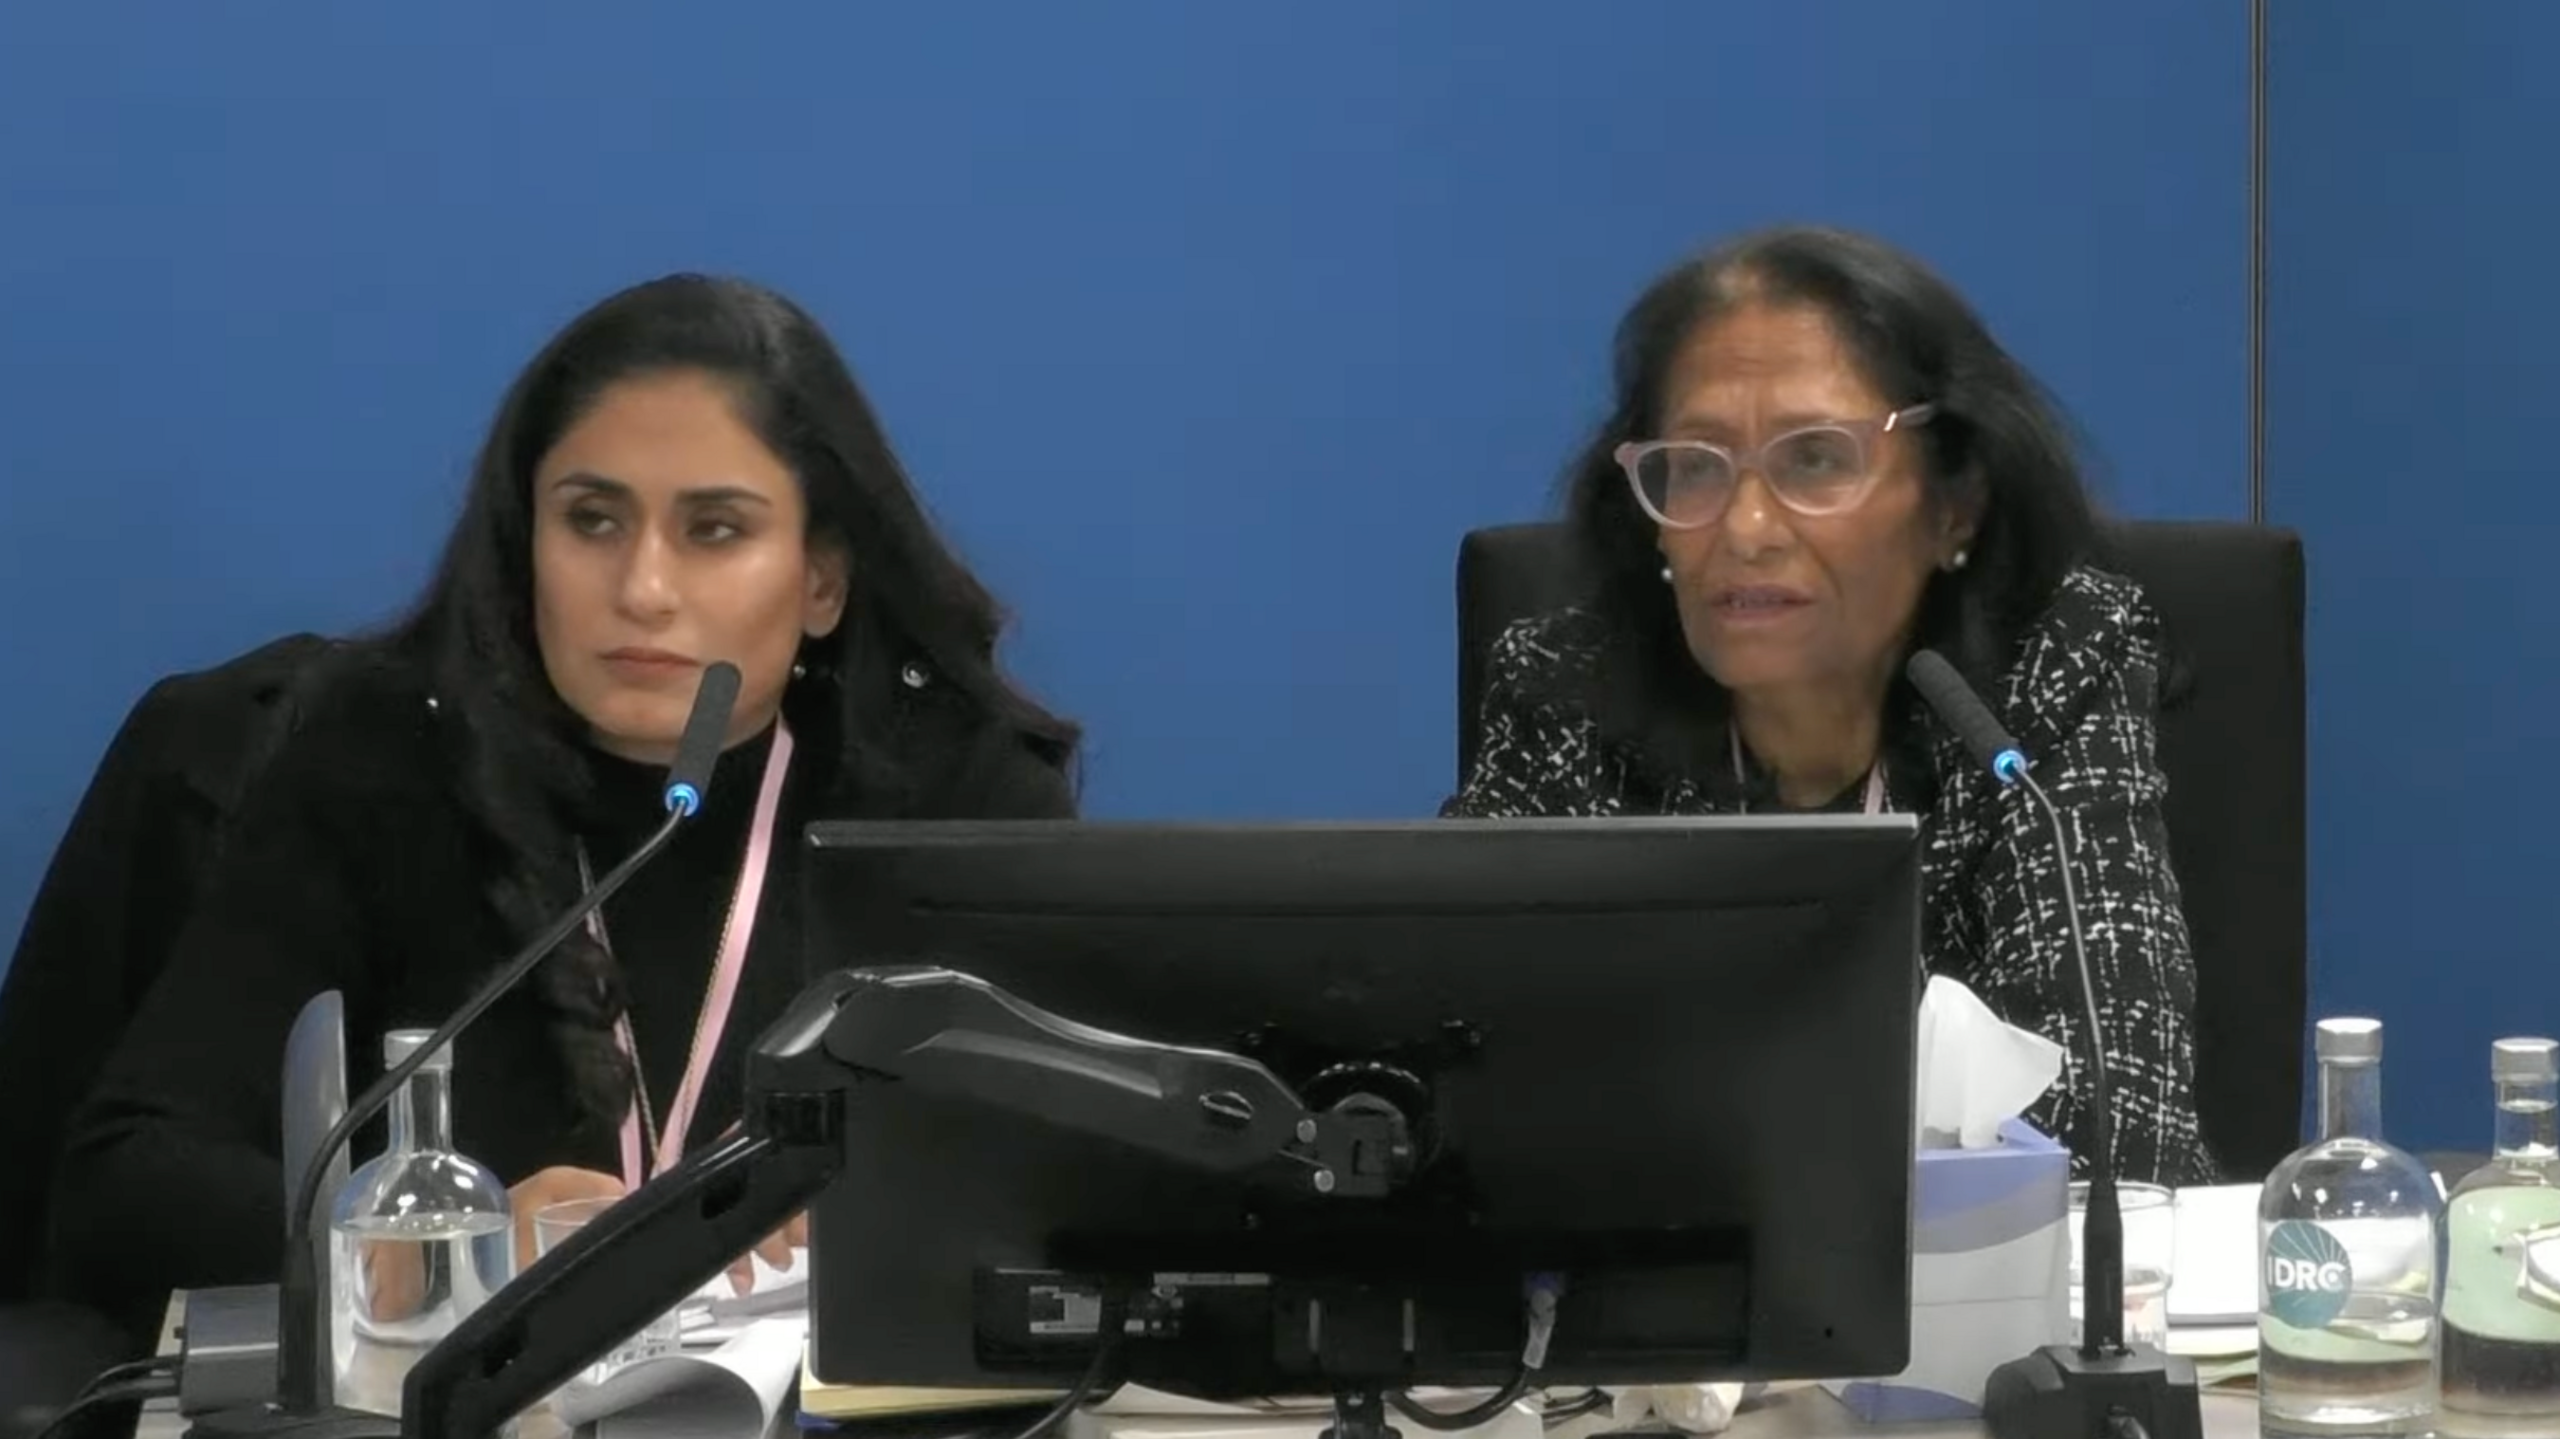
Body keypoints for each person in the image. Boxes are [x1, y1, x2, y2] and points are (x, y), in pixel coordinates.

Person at [45, 274, 1082, 1346]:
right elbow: (126, 1174)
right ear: (524, 541)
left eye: (715, 529)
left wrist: (885, 1213)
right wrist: (444, 1248)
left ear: (820, 578)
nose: (641, 587)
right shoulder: (383, 771)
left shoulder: (953, 799)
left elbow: (1090, 1178)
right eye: (592, 519)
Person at [1445, 225, 2216, 1187]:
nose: (1747, 529)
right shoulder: (1567, 691)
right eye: (1696, 463)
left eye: (1814, 459)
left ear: (1954, 506)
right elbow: (1463, 1088)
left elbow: (2120, 1127)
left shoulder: (2048, 672)